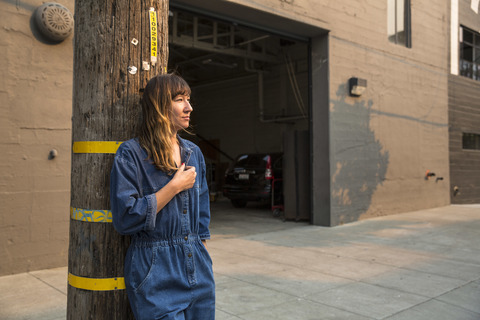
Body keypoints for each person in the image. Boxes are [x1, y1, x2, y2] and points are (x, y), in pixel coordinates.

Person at [110, 74, 215, 320]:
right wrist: (174, 187)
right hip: (154, 268)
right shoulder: (131, 153)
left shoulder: (193, 152)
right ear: (159, 106)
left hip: (197, 265)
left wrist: (201, 254)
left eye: (188, 99)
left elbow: (202, 214)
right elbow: (124, 218)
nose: (189, 107)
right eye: (180, 99)